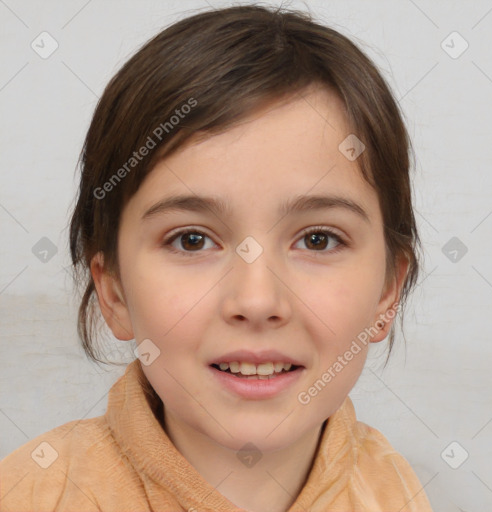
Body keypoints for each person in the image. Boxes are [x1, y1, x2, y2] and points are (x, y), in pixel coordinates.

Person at [0, 5, 433, 511]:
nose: (256, 300)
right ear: (112, 291)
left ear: (388, 290)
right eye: (191, 240)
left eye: (318, 240)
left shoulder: (392, 488)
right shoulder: (30, 494)